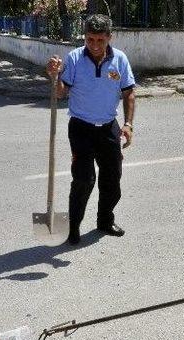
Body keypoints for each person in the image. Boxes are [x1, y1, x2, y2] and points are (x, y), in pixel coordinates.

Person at [46, 14, 136, 245]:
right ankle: (73, 227)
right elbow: (60, 93)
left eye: (100, 40)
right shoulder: (75, 58)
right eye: (90, 39)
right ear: (84, 37)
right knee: (84, 179)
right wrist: (54, 77)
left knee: (112, 180)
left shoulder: (120, 60)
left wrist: (128, 124)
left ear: (109, 37)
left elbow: (128, 93)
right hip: (81, 128)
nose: (95, 45)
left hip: (108, 128)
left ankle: (105, 220)